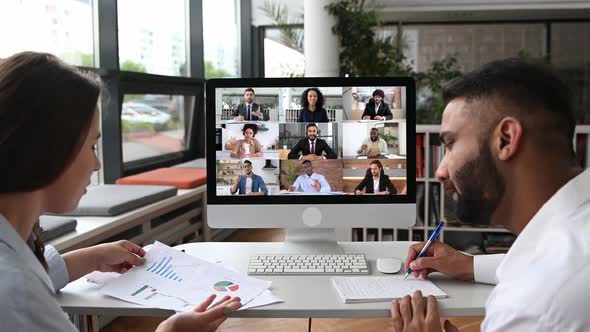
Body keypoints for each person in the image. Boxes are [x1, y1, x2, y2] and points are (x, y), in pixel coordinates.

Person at [0, 52, 241, 332]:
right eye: (92, 147)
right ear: (50, 150)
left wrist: (88, 258)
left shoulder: (15, 259)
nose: (97, 164)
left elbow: (30, 273)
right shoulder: (17, 294)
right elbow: (20, 289)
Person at [389, 58, 590, 331]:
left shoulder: (532, 305)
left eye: (450, 143)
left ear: (506, 139)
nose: (440, 171)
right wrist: (467, 264)